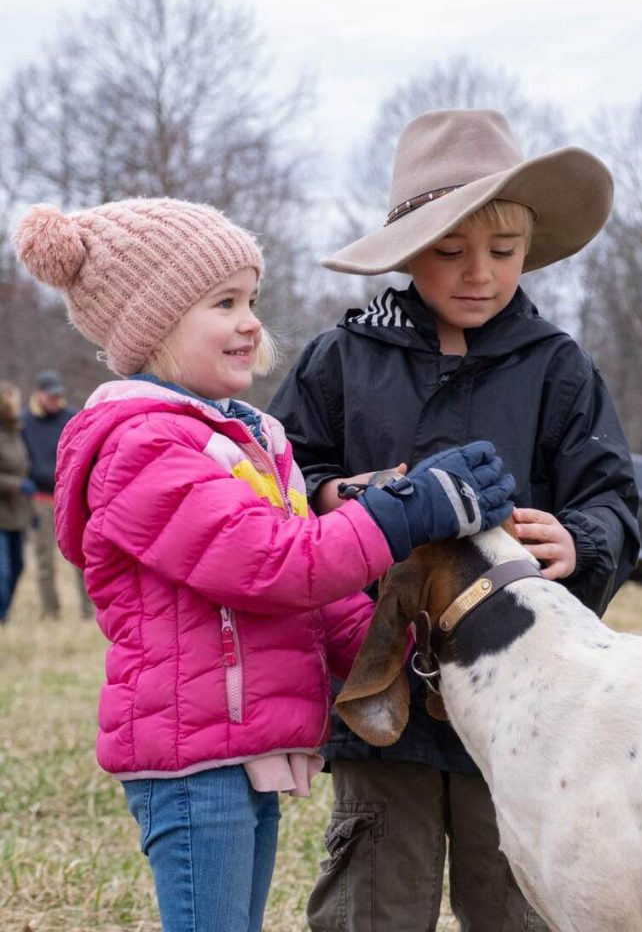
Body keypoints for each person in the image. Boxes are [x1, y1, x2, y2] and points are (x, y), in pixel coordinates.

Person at [13, 196, 516, 932]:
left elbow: (318, 598)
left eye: (252, 298)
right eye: (223, 302)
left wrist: (411, 656)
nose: (251, 321)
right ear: (151, 326)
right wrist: (402, 512)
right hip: (189, 764)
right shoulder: (141, 449)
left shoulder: (245, 441)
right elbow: (274, 564)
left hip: (242, 746)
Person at [269, 108, 641, 932]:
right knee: (375, 896)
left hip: (524, 694)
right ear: (408, 252)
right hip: (380, 678)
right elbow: (279, 476)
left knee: (515, 894)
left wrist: (582, 538)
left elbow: (611, 498)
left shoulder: (558, 367)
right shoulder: (340, 358)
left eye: (503, 253)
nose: (480, 273)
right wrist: (337, 495)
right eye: (450, 250)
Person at [21, 368, 93, 618]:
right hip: (41, 498)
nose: (55, 400)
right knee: (44, 561)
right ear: (38, 395)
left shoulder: (71, 417)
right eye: (50, 396)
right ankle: (51, 612)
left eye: (58, 396)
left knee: (84, 558)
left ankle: (89, 610)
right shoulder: (25, 423)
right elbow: (21, 459)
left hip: (72, 496)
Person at [0, 381, 34, 623]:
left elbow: (24, 470)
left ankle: (5, 615)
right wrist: (17, 485)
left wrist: (32, 511)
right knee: (2, 571)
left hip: (17, 513)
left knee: (18, 566)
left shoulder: (17, 432)